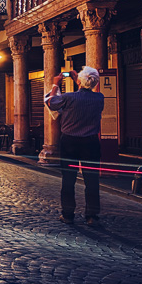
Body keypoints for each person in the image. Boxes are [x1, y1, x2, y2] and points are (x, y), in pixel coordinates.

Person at [45, 66, 105, 225]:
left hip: (70, 142)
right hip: (91, 143)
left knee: (68, 179)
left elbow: (51, 103)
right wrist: (78, 80)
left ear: (80, 81)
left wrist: (55, 85)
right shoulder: (100, 98)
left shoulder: (68, 97)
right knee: (92, 181)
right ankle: (92, 216)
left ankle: (68, 215)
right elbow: (84, 96)